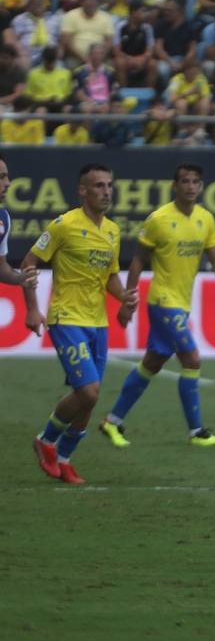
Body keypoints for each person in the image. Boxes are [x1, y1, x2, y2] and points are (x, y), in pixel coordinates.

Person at [101, 163, 215, 449]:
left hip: (182, 302)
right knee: (191, 359)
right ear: (174, 186)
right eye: (185, 181)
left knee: (152, 363)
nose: (190, 186)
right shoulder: (159, 219)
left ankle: (112, 421)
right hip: (163, 301)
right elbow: (139, 260)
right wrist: (129, 299)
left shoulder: (206, 219)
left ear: (200, 187)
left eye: (195, 182)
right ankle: (196, 431)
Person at [23, 164, 139, 485]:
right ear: (83, 191)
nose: (106, 191)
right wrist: (32, 308)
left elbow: (110, 278)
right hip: (66, 317)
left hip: (97, 323)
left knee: (91, 396)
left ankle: (65, 459)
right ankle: (46, 441)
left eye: (109, 185)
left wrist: (125, 298)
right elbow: (28, 263)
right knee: (87, 392)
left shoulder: (113, 231)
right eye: (98, 186)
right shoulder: (63, 225)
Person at [0, 154, 39, 288]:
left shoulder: (3, 219)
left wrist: (19, 278)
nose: (8, 183)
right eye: (1, 177)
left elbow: (1, 267)